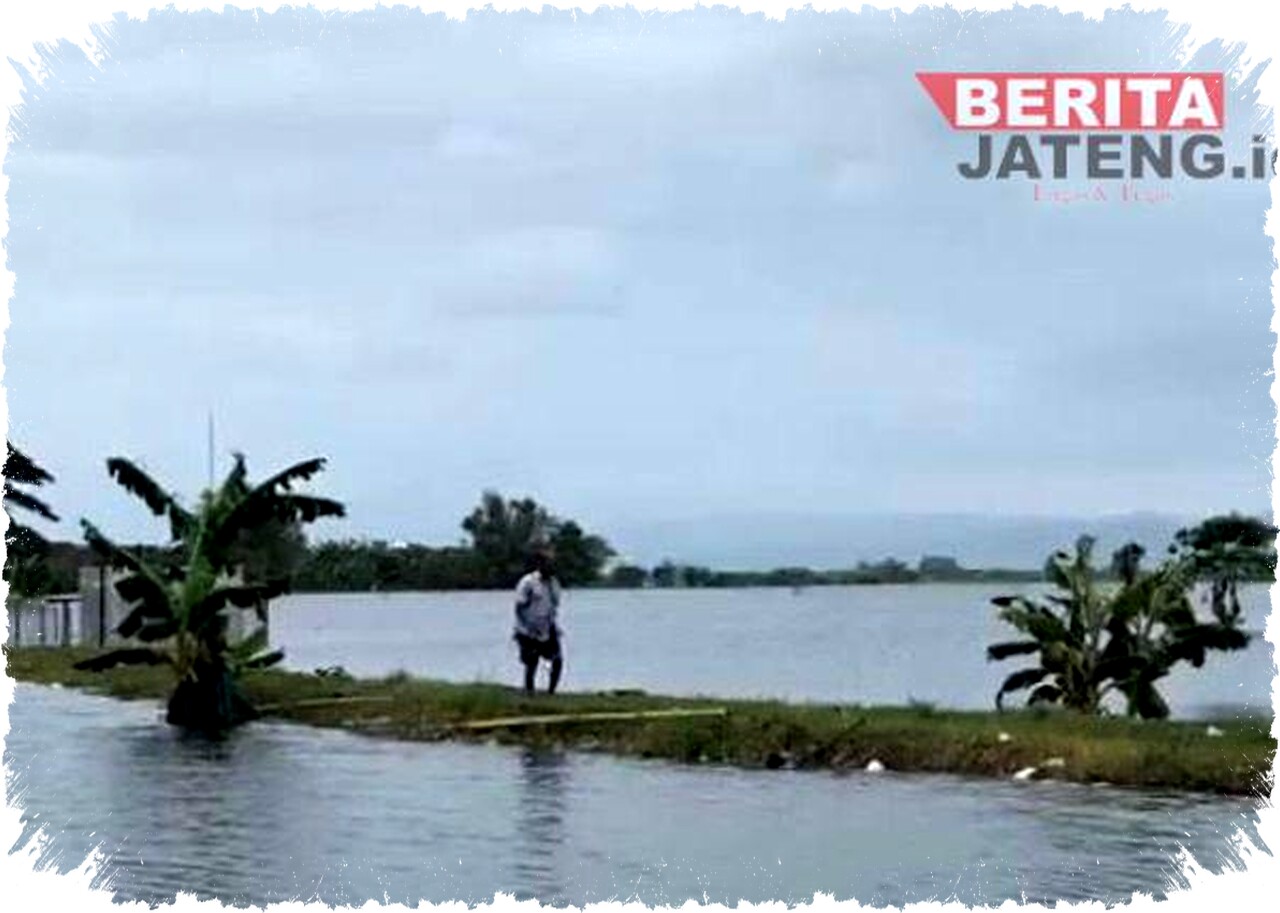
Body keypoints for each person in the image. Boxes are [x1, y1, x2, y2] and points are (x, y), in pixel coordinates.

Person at [512, 549, 563, 694]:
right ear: (540, 564)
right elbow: (519, 607)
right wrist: (525, 627)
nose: (551, 567)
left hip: (548, 627)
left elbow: (554, 605)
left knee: (557, 660)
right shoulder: (528, 582)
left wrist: (553, 626)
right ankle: (530, 690)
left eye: (553, 564)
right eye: (548, 563)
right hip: (527, 628)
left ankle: (551, 691)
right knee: (531, 661)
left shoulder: (554, 583)